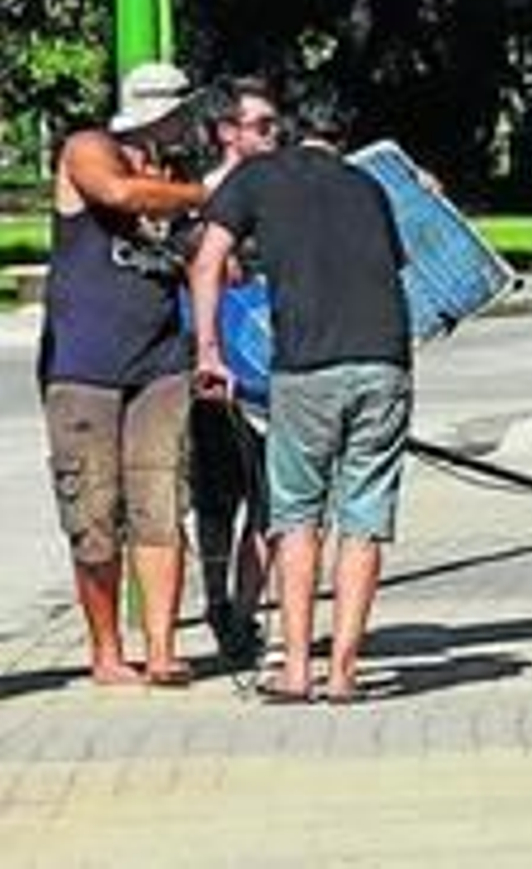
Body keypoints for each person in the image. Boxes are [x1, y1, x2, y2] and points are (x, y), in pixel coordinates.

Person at [190, 93, 410, 704]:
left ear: (285, 132)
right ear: (344, 134)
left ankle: (294, 673)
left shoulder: (257, 176)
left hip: (307, 366)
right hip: (383, 361)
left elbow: (206, 261)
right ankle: (342, 673)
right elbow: (395, 267)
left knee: (296, 518)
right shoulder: (368, 186)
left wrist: (209, 351)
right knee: (365, 518)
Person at [40, 61, 209, 686]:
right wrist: (204, 195)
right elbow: (117, 195)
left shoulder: (176, 177)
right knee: (93, 514)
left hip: (160, 367)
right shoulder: (90, 149)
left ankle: (162, 649)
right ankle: (106, 650)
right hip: (85, 368)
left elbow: (207, 256)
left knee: (161, 504)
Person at [190, 76, 281, 664]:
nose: (276, 137)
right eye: (263, 127)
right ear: (228, 132)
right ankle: (218, 601)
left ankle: (245, 612)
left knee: (274, 497)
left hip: (277, 360)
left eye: (278, 126)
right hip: (219, 360)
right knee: (219, 494)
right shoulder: (199, 196)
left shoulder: (282, 187)